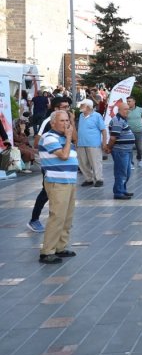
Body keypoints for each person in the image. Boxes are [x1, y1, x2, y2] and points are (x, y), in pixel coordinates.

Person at [37, 110, 80, 264]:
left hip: (69, 181)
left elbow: (76, 140)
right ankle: (47, 251)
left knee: (67, 217)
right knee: (57, 216)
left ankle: (60, 247)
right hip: (57, 182)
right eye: (62, 121)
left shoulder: (63, 137)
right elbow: (63, 155)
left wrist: (70, 132)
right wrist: (68, 138)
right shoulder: (49, 137)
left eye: (67, 121)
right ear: (53, 122)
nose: (66, 124)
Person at [28, 97, 72, 233]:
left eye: (68, 107)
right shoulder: (48, 122)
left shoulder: (67, 122)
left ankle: (59, 220)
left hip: (62, 167)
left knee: (51, 194)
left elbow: (74, 139)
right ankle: (34, 219)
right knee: (46, 192)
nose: (67, 110)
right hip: (51, 165)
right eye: (63, 107)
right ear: (56, 109)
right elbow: (37, 140)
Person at [105, 104, 135, 200]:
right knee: (121, 172)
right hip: (121, 151)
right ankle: (118, 192)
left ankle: (123, 190)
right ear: (119, 110)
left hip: (126, 150)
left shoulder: (122, 120)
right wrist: (109, 148)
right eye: (125, 109)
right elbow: (113, 137)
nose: (128, 111)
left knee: (127, 172)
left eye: (128, 109)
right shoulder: (117, 120)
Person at [75, 98, 107, 187]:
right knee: (83, 163)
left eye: (82, 105)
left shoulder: (97, 116)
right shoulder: (81, 115)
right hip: (81, 143)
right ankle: (88, 179)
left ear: (88, 107)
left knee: (95, 162)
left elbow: (103, 130)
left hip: (93, 143)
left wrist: (104, 143)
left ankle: (99, 179)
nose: (80, 107)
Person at [126, 96, 142, 167]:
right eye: (127, 101)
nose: (128, 103)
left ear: (134, 102)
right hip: (128, 132)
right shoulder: (125, 110)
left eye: (129, 101)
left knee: (139, 148)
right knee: (129, 148)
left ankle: (139, 159)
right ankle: (131, 162)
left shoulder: (140, 110)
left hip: (138, 131)